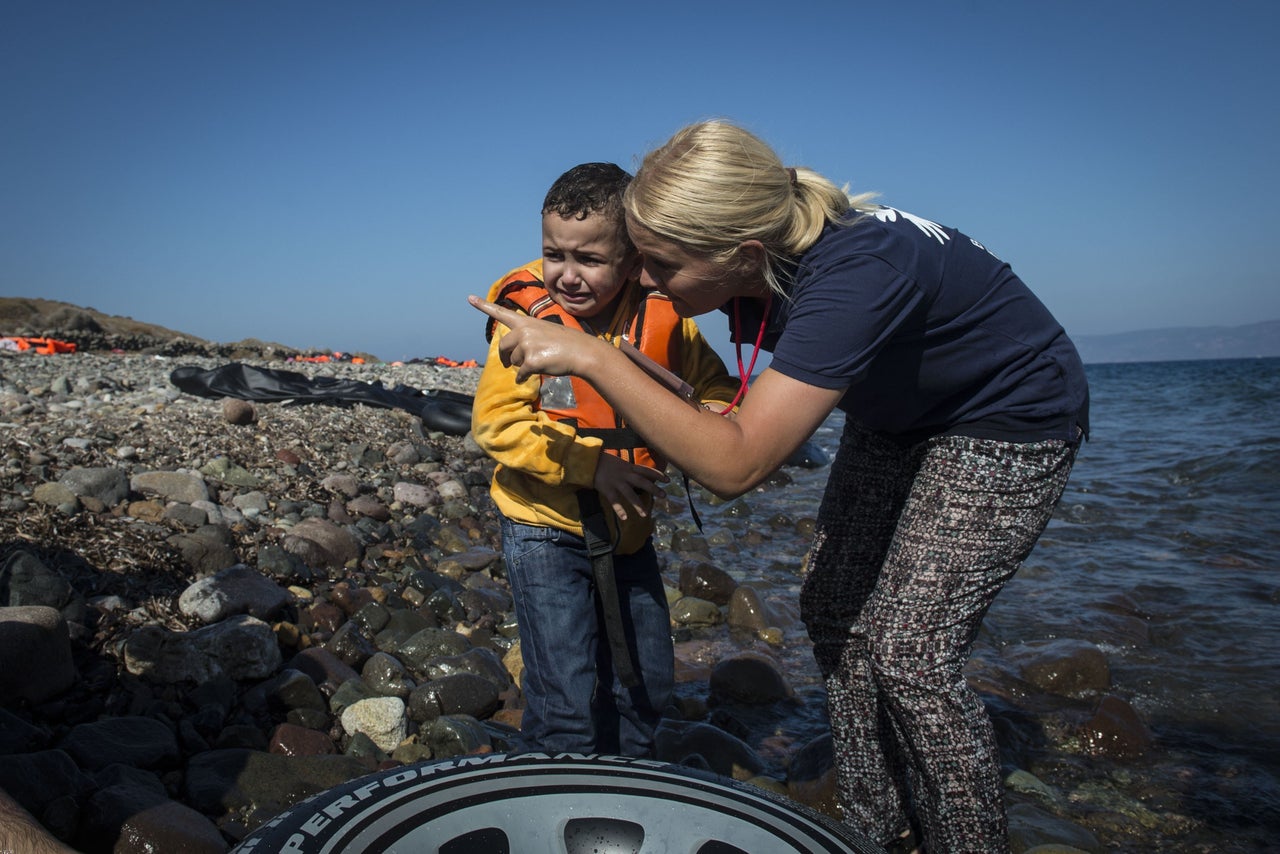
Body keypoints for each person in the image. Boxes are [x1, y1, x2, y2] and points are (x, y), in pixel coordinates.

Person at [470, 123, 1089, 852]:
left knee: (908, 653)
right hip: (895, 415)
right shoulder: (751, 256)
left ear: (744, 257)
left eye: (658, 264)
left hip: (1005, 418)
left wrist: (593, 360)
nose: (642, 280)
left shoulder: (856, 273)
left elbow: (737, 467)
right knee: (830, 605)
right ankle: (875, 825)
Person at [472, 162, 740, 757]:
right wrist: (594, 467)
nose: (567, 276)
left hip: (630, 532)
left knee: (647, 680)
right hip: (545, 526)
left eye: (589, 259)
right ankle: (552, 797)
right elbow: (496, 424)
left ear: (632, 259)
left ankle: (630, 789)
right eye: (553, 255)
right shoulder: (526, 323)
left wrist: (711, 427)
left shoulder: (666, 318)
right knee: (566, 694)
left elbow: (717, 391)